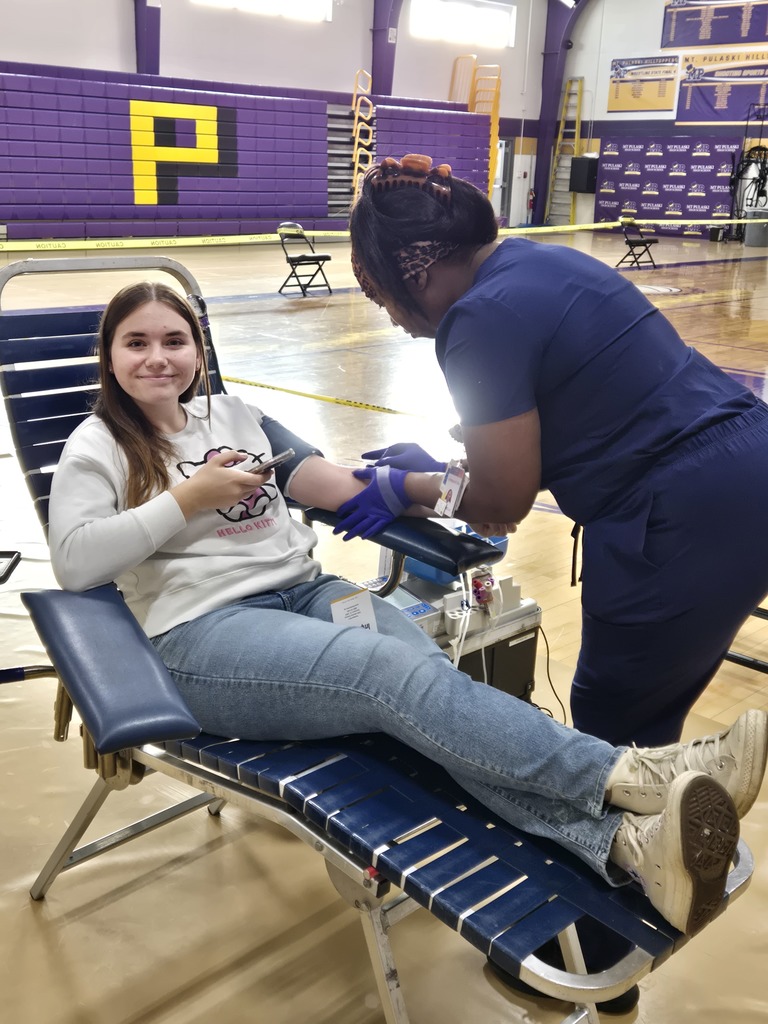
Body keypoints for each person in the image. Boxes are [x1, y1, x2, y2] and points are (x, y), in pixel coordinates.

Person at [47, 282, 766, 948]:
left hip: (304, 593)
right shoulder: (97, 446)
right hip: (201, 636)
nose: (157, 358)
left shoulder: (234, 415)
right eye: (135, 343)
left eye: (173, 340)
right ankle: (632, 773)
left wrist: (452, 491)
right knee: (388, 674)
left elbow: (331, 482)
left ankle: (625, 847)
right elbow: (77, 563)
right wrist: (187, 499)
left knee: (434, 696)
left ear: (198, 350)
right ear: (109, 357)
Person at [344, 153, 768, 1010]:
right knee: (650, 712)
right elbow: (562, 423)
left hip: (676, 511)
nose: (391, 319)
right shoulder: (540, 261)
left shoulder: (474, 320)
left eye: (383, 295)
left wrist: (407, 487)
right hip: (745, 471)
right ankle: (686, 801)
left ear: (412, 267)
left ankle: (602, 964)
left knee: (608, 745)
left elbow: (500, 503)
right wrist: (452, 464)